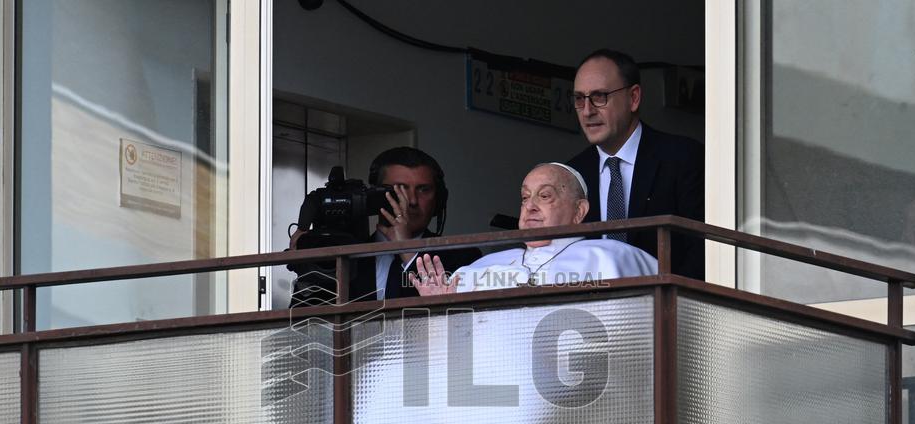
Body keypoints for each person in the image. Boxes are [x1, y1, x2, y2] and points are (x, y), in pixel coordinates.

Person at [411, 162, 656, 295]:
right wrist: (441, 309)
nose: (531, 207)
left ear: (579, 211)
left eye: (545, 196)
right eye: (525, 198)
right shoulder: (480, 268)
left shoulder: (610, 256)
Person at [567, 49, 705, 280]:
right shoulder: (572, 174)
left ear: (634, 98)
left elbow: (702, 250)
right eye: (580, 99)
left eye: (600, 96)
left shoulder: (682, 157)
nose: (588, 111)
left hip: (668, 309)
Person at [289, 147, 480, 304]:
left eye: (424, 189)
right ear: (376, 196)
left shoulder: (463, 257)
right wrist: (307, 267)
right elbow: (303, 322)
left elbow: (456, 319)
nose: (412, 200)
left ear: (438, 200)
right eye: (399, 189)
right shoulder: (347, 256)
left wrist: (407, 250)